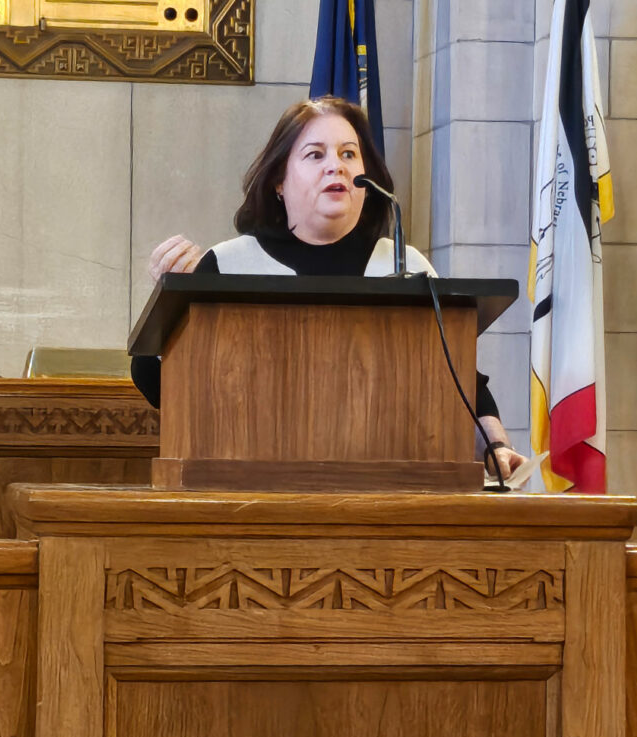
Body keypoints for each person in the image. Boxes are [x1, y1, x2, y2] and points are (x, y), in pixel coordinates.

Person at [133, 96, 526, 479]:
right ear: (279, 182)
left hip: (391, 496)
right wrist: (167, 300)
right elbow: (158, 385)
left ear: (366, 179)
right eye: (315, 155)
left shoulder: (406, 268)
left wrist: (496, 448)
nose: (335, 167)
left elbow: (460, 380)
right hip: (251, 494)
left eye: (348, 154)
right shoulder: (228, 264)